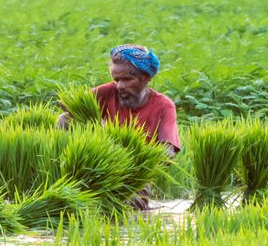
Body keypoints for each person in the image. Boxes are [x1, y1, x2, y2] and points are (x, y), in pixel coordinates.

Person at [57, 44, 180, 209]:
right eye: (116, 79)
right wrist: (98, 128)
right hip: (97, 166)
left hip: (135, 178)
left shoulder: (164, 106)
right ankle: (62, 176)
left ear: (146, 78)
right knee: (64, 120)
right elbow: (67, 106)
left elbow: (168, 153)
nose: (120, 86)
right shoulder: (108, 92)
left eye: (127, 79)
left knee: (127, 210)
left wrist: (138, 164)